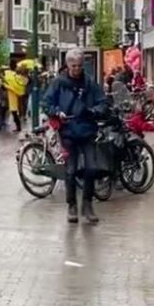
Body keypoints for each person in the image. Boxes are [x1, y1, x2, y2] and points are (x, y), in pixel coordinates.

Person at [43, 49, 107, 225]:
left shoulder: (89, 84)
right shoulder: (58, 84)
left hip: (87, 131)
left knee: (92, 168)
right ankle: (71, 205)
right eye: (73, 66)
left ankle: (87, 204)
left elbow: (102, 103)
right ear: (68, 65)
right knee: (70, 171)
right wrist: (56, 112)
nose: (77, 69)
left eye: (79, 66)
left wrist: (94, 112)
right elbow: (46, 103)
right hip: (68, 131)